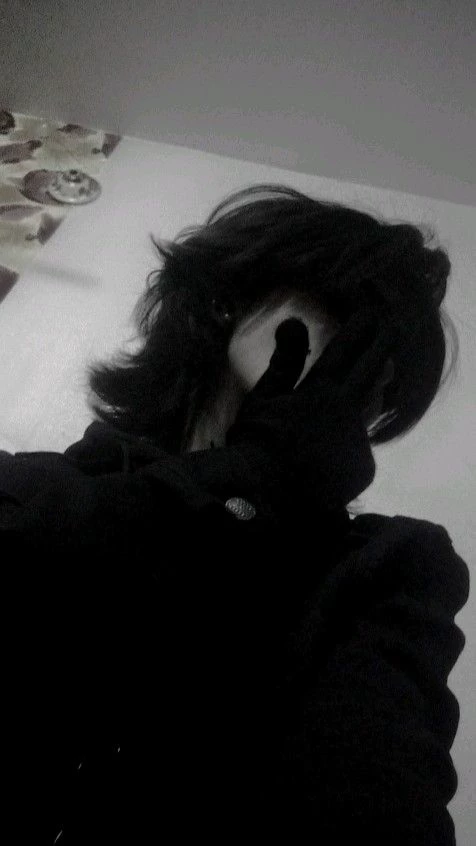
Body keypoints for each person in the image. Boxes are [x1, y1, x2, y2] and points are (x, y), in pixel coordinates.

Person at [0, 184, 469, 845]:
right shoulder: (46, 486)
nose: (362, 376)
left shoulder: (386, 570)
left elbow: (377, 788)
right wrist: (257, 475)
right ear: (225, 303)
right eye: (344, 318)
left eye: (384, 369)